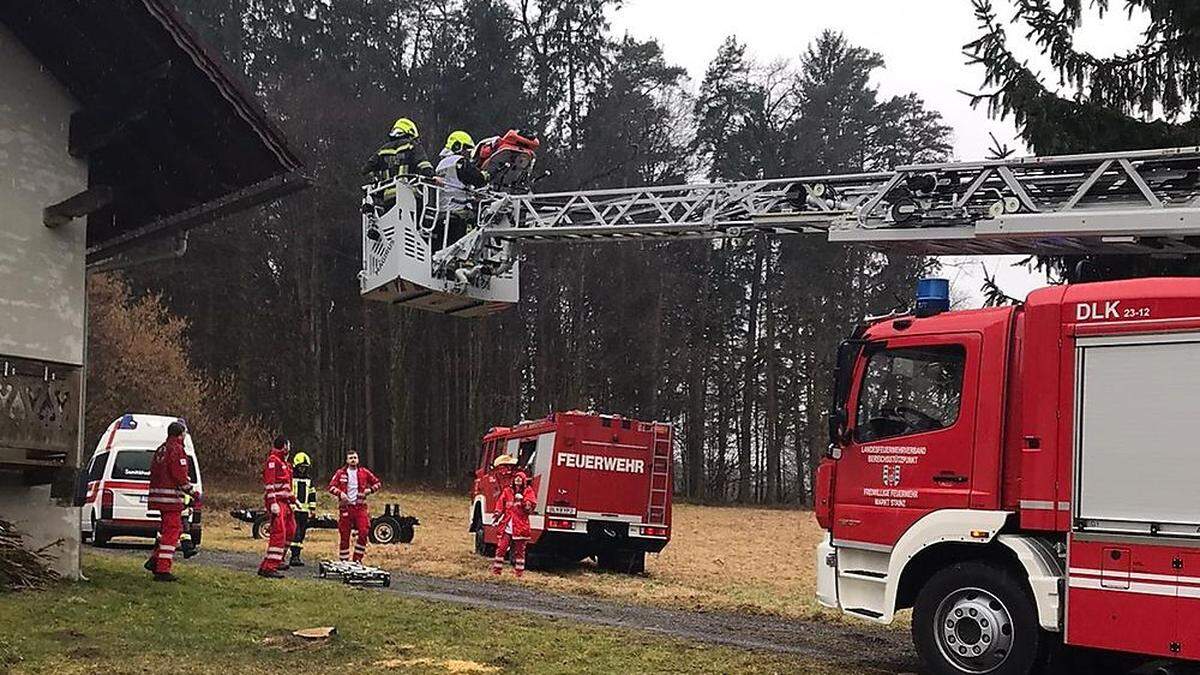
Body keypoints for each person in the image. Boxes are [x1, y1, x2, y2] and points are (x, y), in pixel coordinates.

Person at [145, 421, 197, 582]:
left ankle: (155, 560)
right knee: (172, 532)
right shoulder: (177, 450)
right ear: (180, 434)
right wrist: (191, 491)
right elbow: (179, 474)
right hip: (170, 499)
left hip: (158, 497)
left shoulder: (161, 449)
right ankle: (163, 569)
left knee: (166, 530)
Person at [435, 130, 491, 247]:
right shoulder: (458, 161)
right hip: (458, 213)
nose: (468, 154)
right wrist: (488, 174)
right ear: (458, 146)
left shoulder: (439, 165)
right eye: (467, 150)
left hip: (441, 214)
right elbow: (478, 179)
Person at [328, 450, 382, 564]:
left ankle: (357, 559)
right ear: (347, 460)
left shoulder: (364, 472)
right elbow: (331, 487)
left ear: (358, 459)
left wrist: (370, 490)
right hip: (346, 508)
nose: (353, 460)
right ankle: (344, 561)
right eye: (351, 458)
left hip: (360, 507)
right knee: (344, 535)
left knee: (363, 532)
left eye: (355, 458)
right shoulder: (340, 473)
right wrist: (340, 493)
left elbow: (377, 483)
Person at [258, 435, 297, 579]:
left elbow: (286, 486)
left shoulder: (285, 464)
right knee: (278, 533)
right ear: (284, 446)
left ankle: (278, 559)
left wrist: (293, 500)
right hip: (277, 502)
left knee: (291, 530)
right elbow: (269, 484)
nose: (290, 449)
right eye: (289, 445)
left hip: (285, 502)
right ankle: (269, 566)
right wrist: (273, 502)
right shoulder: (273, 461)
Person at [491, 471, 535, 578]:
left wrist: (524, 502)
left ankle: (518, 573)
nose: (518, 480)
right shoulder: (507, 491)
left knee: (519, 551)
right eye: (516, 478)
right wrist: (497, 513)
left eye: (520, 479)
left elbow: (530, 506)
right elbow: (501, 503)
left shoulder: (528, 491)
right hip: (507, 525)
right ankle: (496, 571)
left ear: (524, 481)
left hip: (520, 527)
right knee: (501, 548)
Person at [288, 451, 318, 568]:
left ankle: (297, 555)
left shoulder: (309, 480)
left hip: (304, 512)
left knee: (301, 534)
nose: (302, 470)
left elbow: (312, 495)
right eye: (300, 467)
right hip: (293, 510)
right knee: (296, 533)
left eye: (304, 468)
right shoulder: (291, 478)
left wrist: (312, 509)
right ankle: (293, 556)